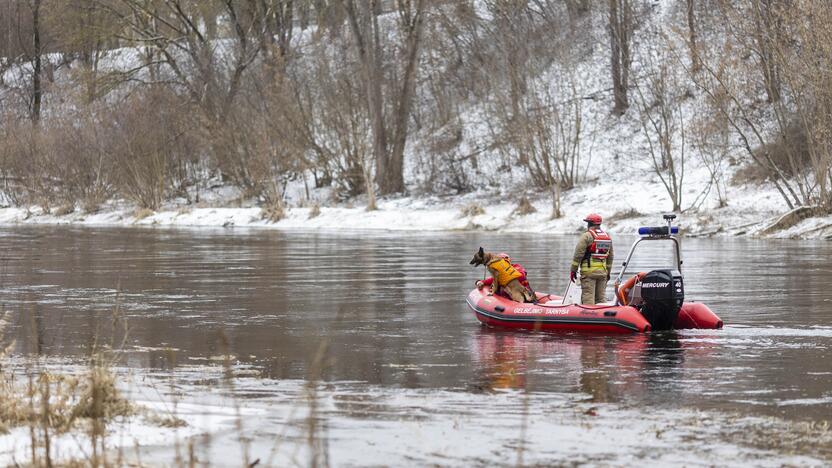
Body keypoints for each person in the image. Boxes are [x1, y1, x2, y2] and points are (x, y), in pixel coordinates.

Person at [570, 213, 614, 305]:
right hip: (603, 273)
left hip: (589, 273)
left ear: (589, 224)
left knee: (588, 297)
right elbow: (610, 257)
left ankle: (589, 317)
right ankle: (602, 317)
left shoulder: (586, 236)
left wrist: (573, 270)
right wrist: (608, 272)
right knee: (601, 299)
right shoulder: (607, 237)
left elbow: (578, 255)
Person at [470, 248, 536, 303]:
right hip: (510, 299)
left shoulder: (516, 267)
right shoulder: (499, 273)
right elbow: (492, 280)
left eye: (506, 261)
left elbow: (521, 276)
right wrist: (479, 282)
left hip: (523, 293)